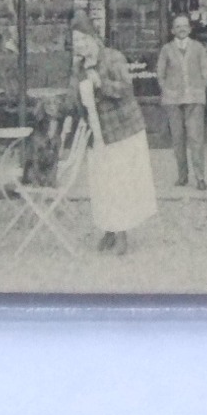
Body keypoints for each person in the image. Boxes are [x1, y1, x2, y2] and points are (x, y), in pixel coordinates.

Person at [71, 14, 157, 254]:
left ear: (94, 39)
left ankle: (122, 234)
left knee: (120, 184)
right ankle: (108, 228)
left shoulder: (113, 57)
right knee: (101, 184)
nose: (79, 45)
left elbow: (126, 88)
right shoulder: (78, 67)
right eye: (75, 41)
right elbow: (76, 99)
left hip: (122, 131)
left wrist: (101, 84)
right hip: (97, 134)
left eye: (83, 40)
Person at [156, 12, 207, 190]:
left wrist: (201, 87)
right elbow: (160, 73)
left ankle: (200, 177)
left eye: (184, 26)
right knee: (178, 139)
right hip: (173, 100)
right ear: (173, 30)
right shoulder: (166, 49)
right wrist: (167, 89)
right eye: (178, 26)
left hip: (194, 100)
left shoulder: (198, 48)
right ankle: (182, 176)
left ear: (189, 28)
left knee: (196, 138)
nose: (181, 29)